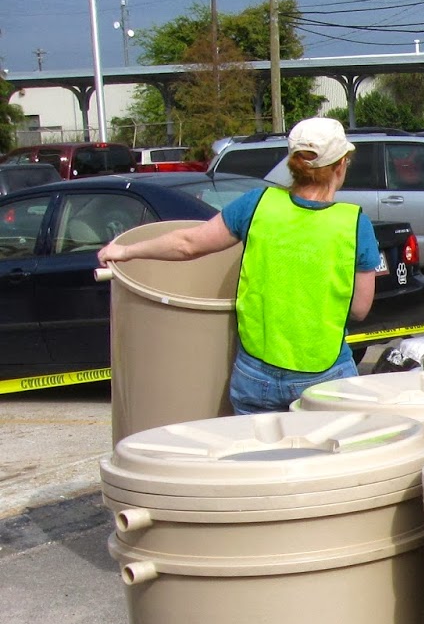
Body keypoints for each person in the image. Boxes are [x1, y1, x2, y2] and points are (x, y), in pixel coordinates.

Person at [98, 117, 378, 414]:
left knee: (253, 446)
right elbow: (360, 309)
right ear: (340, 165)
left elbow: (188, 244)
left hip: (256, 373)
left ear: (293, 163)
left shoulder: (257, 204)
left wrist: (125, 250)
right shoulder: (354, 223)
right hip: (325, 373)